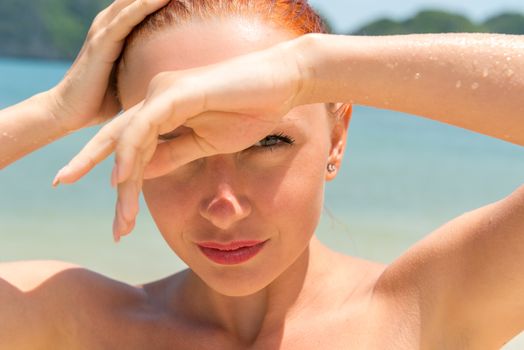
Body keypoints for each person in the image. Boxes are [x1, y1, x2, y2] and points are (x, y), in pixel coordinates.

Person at [1, 0, 523, 348]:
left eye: (269, 141)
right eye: (172, 142)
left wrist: (308, 71)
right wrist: (55, 110)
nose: (223, 204)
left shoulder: (421, 309)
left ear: (336, 137)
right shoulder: (75, 322)